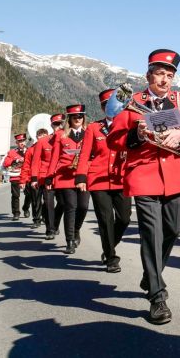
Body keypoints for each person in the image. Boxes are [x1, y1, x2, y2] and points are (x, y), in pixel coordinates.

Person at [108, 49, 180, 324]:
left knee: (173, 229)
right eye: (160, 74)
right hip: (145, 176)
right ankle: (157, 296)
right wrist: (136, 135)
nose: (165, 80)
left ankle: (152, 273)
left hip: (178, 175)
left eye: (170, 75)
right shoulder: (133, 103)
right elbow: (114, 139)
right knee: (151, 234)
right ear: (149, 75)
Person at [76, 89, 130, 272]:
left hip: (121, 179)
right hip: (98, 179)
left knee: (124, 219)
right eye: (105, 105)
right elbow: (84, 154)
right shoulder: (93, 128)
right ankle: (111, 258)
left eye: (113, 103)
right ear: (101, 107)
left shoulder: (128, 126)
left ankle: (109, 246)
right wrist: (81, 177)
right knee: (105, 219)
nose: (110, 107)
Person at [46, 104, 90, 254]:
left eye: (80, 116)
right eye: (74, 116)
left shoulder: (89, 133)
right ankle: (70, 240)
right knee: (70, 207)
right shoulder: (60, 135)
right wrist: (49, 177)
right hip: (65, 177)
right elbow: (54, 158)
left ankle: (76, 229)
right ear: (69, 119)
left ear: (83, 118)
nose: (78, 118)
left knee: (83, 207)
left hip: (83, 176)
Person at [31, 114, 66, 240]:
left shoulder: (67, 139)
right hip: (45, 176)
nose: (58, 126)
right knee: (48, 203)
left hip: (62, 177)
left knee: (62, 203)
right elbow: (35, 161)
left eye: (60, 123)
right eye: (55, 124)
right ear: (51, 125)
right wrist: (34, 178)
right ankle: (50, 229)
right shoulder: (43, 141)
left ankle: (54, 222)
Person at [19, 131, 45, 228]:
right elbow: (26, 166)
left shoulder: (50, 147)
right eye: (40, 136)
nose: (42, 138)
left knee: (47, 201)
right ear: (37, 137)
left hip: (46, 178)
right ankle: (37, 220)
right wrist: (23, 180)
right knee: (36, 201)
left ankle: (46, 217)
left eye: (44, 136)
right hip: (34, 178)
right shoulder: (31, 150)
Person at [2, 133, 28, 220]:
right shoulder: (12, 152)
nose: (22, 143)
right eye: (20, 141)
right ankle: (16, 213)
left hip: (28, 176)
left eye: (23, 141)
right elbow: (6, 163)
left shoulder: (29, 150)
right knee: (15, 195)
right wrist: (15, 160)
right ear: (16, 142)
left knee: (30, 194)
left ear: (25, 141)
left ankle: (26, 207)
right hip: (16, 176)